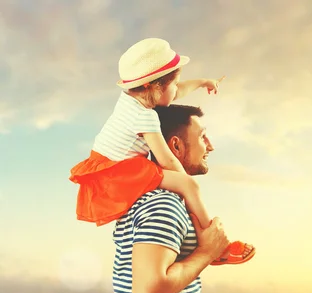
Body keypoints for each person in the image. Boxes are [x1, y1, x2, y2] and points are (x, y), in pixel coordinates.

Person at [69, 37, 254, 265]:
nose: (177, 90)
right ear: (154, 87)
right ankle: (215, 246)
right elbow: (167, 159)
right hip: (117, 171)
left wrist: (205, 82)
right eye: (174, 84)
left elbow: (175, 92)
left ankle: (204, 239)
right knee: (189, 185)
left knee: (184, 186)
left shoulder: (132, 98)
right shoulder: (144, 117)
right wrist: (185, 183)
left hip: (107, 163)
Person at [111, 103, 251, 293]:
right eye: (203, 136)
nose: (211, 146)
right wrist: (207, 253)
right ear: (175, 145)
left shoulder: (148, 198)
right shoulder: (164, 204)